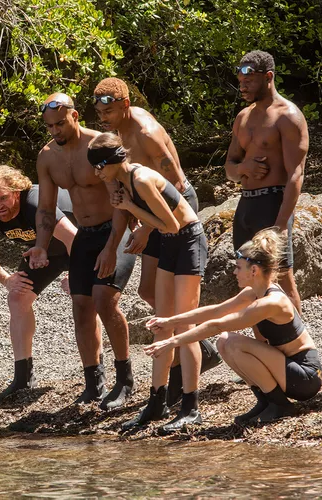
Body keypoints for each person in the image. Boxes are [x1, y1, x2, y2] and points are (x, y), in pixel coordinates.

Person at [92, 77, 222, 406]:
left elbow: (175, 185)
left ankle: (196, 347)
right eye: (99, 113)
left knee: (170, 299)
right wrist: (119, 235)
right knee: (148, 290)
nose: (103, 118)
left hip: (175, 207)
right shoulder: (114, 136)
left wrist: (147, 229)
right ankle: (199, 349)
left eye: (108, 112)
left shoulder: (145, 133)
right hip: (149, 209)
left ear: (125, 105)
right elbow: (122, 192)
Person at [87, 132, 208, 433]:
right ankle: (157, 402)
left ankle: (191, 407)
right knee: (162, 324)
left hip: (188, 240)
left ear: (112, 162)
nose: (96, 174)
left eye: (98, 167)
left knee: (185, 326)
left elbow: (173, 223)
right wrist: (123, 206)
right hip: (170, 242)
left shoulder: (140, 179)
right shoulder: (122, 182)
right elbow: (158, 225)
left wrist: (131, 208)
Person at [25, 93, 137, 408]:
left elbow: (120, 199)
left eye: (60, 124)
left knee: (104, 300)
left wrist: (111, 248)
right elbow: (46, 208)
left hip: (116, 230)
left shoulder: (98, 145)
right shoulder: (47, 157)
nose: (55, 131)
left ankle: (125, 379)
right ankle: (93, 382)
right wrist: (41, 246)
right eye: (49, 126)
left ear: (74, 116)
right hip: (85, 235)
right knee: (81, 306)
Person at [145, 228, 322, 425]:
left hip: (304, 377)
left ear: (253, 271)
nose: (234, 272)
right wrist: (170, 321)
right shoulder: (254, 293)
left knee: (233, 343)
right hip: (287, 370)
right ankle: (266, 401)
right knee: (224, 342)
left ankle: (279, 404)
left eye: (238, 267)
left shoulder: (271, 302)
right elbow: (216, 311)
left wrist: (171, 342)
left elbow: (217, 325)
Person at [0, 165, 79, 403]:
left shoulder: (34, 203)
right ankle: (23, 378)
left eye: (3, 198)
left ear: (17, 192)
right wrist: (6, 279)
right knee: (17, 297)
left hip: (81, 243)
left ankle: (94, 373)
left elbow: (74, 239)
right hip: (44, 252)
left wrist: (78, 275)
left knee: (83, 296)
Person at [225, 50, 308, 313]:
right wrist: (244, 168)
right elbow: (229, 169)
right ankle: (263, 337)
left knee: (282, 279)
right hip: (245, 206)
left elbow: (296, 174)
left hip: (273, 204)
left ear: (268, 77)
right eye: (241, 81)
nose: (243, 86)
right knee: (249, 282)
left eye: (249, 81)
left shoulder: (288, 116)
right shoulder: (243, 118)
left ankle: (299, 338)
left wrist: (281, 225)